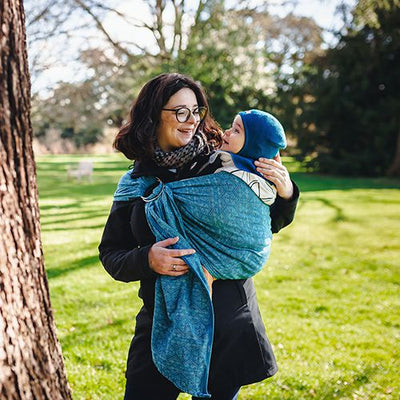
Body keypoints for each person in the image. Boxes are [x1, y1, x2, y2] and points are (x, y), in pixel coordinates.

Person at [98, 73, 299, 400]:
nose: (191, 120)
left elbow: (263, 226)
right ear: (153, 115)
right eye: (180, 111)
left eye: (196, 110)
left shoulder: (225, 164)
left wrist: (287, 192)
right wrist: (147, 259)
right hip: (162, 323)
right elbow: (111, 253)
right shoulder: (135, 183)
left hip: (226, 324)